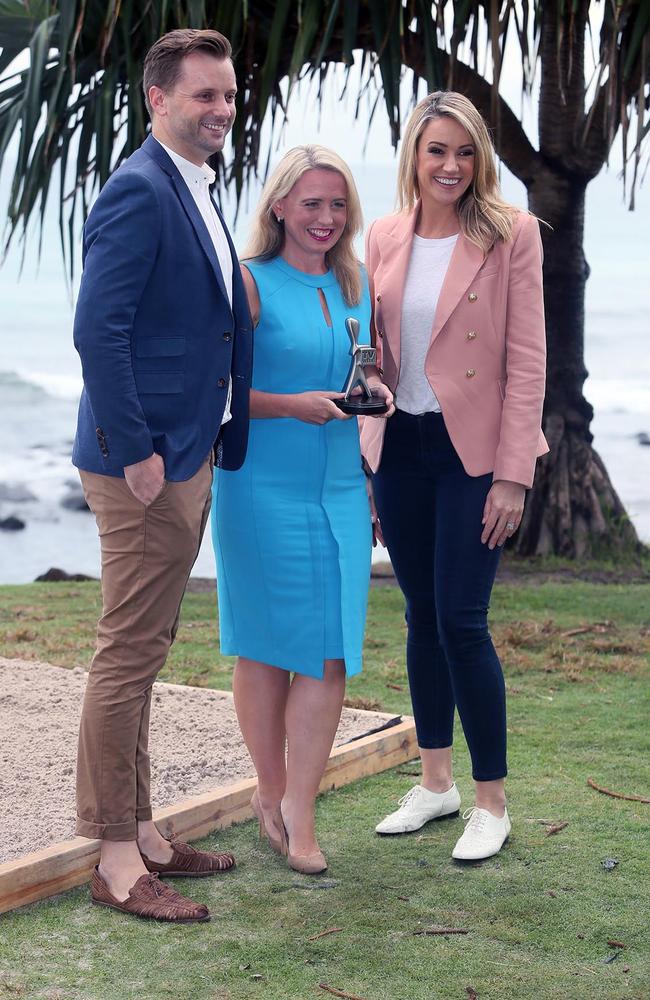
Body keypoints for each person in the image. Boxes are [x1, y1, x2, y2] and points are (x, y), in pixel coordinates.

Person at [72, 29, 252, 922]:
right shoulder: (140, 190)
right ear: (158, 101)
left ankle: (141, 831)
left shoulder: (196, 189)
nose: (219, 109)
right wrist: (138, 449)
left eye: (227, 95)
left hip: (184, 452)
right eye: (202, 96)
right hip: (143, 463)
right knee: (126, 655)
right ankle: (111, 857)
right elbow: (95, 331)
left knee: (144, 653)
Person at [361, 91, 548, 861]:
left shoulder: (514, 234)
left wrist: (513, 476)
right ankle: (435, 785)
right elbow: (370, 352)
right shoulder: (382, 234)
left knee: (462, 622)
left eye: (465, 152)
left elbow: (528, 361)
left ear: (481, 159)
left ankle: (491, 802)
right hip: (399, 448)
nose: (450, 166)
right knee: (419, 616)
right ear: (414, 154)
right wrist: (364, 452)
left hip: (475, 455)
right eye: (437, 150)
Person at [212, 146, 393, 874]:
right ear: (280, 206)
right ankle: (270, 789)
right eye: (311, 203)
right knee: (265, 647)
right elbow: (215, 392)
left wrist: (371, 398)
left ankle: (301, 810)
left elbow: (363, 367)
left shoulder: (357, 285)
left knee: (329, 651)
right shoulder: (247, 284)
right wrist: (291, 405)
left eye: (338, 204)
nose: (325, 218)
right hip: (260, 487)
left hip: (342, 489)